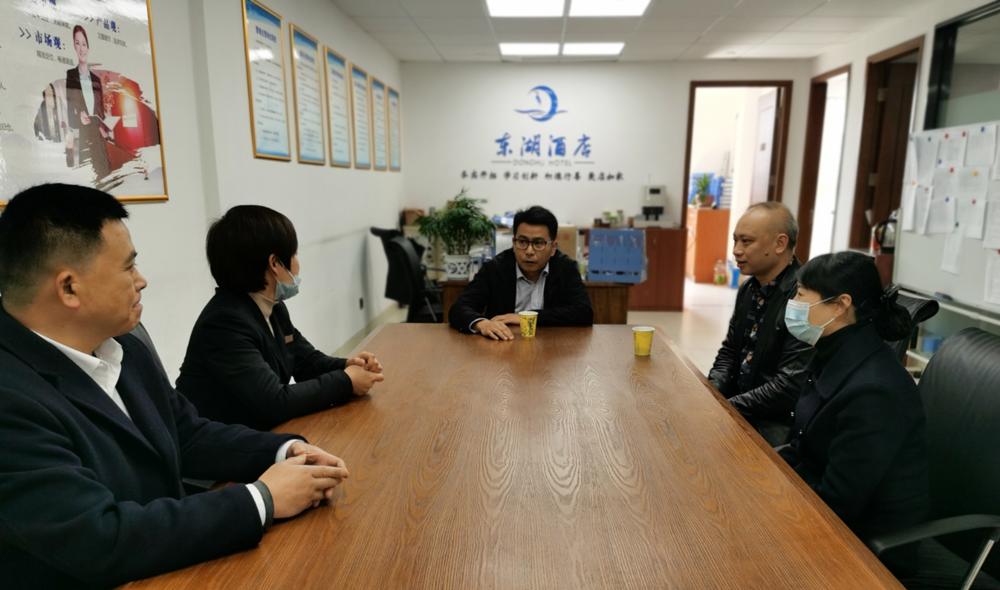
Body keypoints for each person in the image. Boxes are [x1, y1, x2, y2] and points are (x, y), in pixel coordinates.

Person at [0, 184, 349, 589]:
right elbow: (98, 538)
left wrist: (284, 450)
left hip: (175, 565)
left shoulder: (124, 347)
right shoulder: (11, 398)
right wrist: (262, 498)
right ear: (68, 287)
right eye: (128, 268)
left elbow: (186, 432)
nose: (142, 280)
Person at [778, 251, 927, 577]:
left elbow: (839, 502)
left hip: (864, 547)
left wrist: (773, 501)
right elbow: (802, 443)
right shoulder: (834, 352)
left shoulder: (874, 391)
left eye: (801, 294)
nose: (794, 303)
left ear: (840, 305)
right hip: (819, 507)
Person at [176, 205, 384, 431]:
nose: (297, 263)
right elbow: (274, 402)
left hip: (255, 432)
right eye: (294, 254)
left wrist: (349, 365)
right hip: (218, 441)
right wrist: (347, 381)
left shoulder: (273, 307)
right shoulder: (224, 323)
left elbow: (306, 361)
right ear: (275, 263)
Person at [707, 202, 814, 446]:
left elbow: (788, 386)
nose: (736, 250)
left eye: (746, 241)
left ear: (780, 243)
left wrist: (727, 407)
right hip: (741, 407)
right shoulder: (748, 288)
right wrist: (711, 393)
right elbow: (730, 351)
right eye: (735, 241)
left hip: (776, 423)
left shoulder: (803, 297)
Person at [448, 205, 593, 339]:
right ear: (514, 242)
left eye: (538, 243)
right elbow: (459, 308)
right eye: (522, 242)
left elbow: (583, 312)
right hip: (503, 347)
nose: (529, 251)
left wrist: (526, 317)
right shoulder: (495, 268)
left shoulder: (566, 268)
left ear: (553, 248)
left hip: (552, 346)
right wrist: (482, 324)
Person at [66, 25, 111, 178]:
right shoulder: (71, 76)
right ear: (74, 46)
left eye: (84, 44)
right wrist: (79, 116)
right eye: (77, 43)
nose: (81, 48)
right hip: (85, 140)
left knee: (106, 175)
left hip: (99, 140)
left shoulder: (96, 80)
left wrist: (105, 128)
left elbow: (101, 112)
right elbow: (70, 112)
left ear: (88, 47)